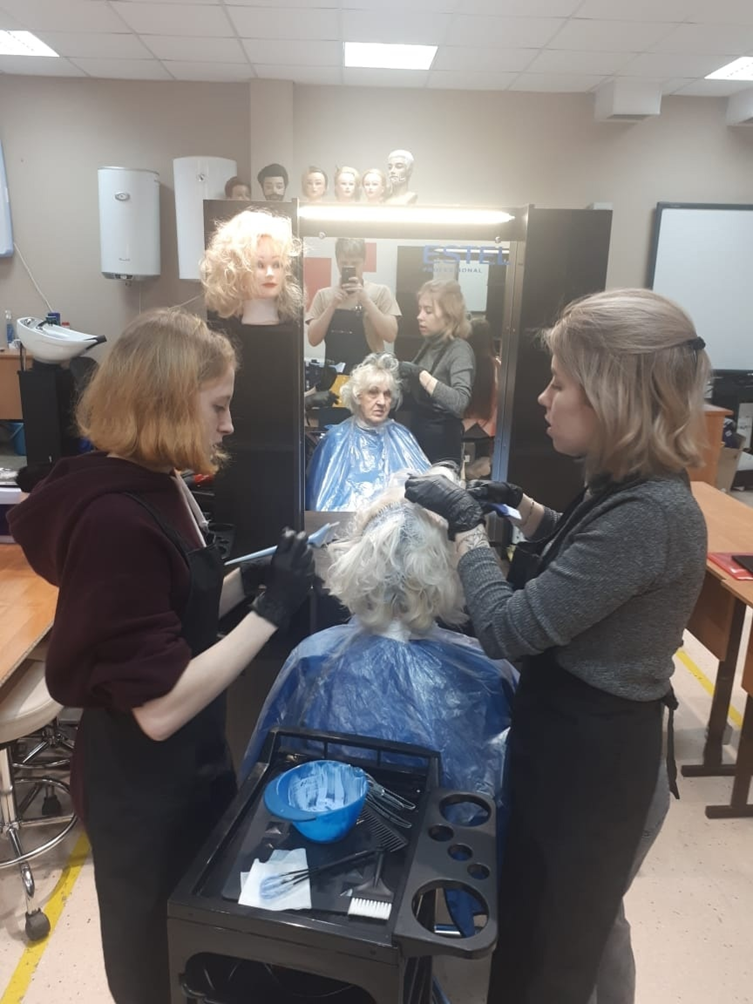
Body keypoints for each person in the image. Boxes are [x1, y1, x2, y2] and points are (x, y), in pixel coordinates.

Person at [403, 288, 710, 1004]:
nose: (542, 398)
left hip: (595, 766)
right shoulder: (624, 488)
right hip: (569, 739)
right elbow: (587, 565)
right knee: (573, 926)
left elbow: (507, 629)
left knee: (557, 950)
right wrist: (522, 508)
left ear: (612, 398)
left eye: (559, 384)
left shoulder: (650, 514)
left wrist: (467, 530)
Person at [7, 309, 316, 1004]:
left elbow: (174, 609)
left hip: (189, 761)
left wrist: (249, 582)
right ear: (167, 404)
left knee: (194, 941)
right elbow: (158, 708)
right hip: (141, 783)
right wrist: (271, 613)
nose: (229, 425)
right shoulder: (115, 520)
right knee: (151, 959)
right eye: (218, 406)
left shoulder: (163, 483)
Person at [242, 481, 517, 832]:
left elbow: (267, 778)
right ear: (451, 568)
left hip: (332, 829)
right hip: (445, 845)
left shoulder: (315, 659)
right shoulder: (485, 672)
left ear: (358, 563)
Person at [306, 353, 429, 511]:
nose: (381, 401)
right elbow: (323, 505)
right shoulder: (336, 440)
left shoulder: (402, 437)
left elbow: (428, 497)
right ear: (358, 396)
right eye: (373, 392)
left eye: (387, 394)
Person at [399, 279, 475, 466]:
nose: (419, 316)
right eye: (419, 309)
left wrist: (421, 374)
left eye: (428, 311)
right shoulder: (429, 345)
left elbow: (460, 402)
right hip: (419, 439)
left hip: (442, 449)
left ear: (449, 316)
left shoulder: (459, 350)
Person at [306, 237, 400, 372]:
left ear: (364, 262)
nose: (349, 267)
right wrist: (332, 305)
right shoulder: (324, 295)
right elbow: (313, 340)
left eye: (355, 263)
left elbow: (390, 336)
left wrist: (366, 300)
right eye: (344, 263)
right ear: (337, 262)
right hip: (334, 376)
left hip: (371, 377)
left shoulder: (380, 292)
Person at [201, 209, 302, 326]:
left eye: (276, 264)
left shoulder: (294, 327)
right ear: (236, 269)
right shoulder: (224, 332)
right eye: (260, 265)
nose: (270, 273)